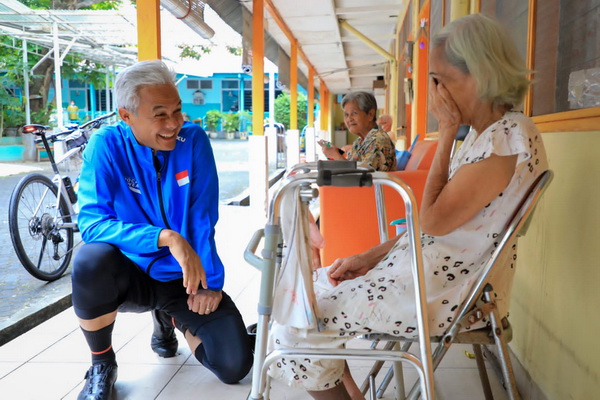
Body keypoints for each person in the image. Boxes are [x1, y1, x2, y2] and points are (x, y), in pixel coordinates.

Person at [269, 13, 548, 400]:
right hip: (426, 272)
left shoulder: (506, 139)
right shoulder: (489, 135)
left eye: (439, 79)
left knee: (299, 320)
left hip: (447, 292)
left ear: (480, 76)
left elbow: (432, 221)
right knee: (307, 297)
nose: (432, 91)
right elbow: (442, 225)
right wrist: (371, 255)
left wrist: (448, 131)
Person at [71, 60, 253, 400]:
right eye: (160, 115)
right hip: (129, 272)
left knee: (234, 366)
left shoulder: (193, 140)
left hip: (180, 278)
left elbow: (202, 217)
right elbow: (92, 222)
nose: (174, 124)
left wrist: (209, 284)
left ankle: (170, 318)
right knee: (89, 261)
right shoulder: (106, 144)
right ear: (126, 116)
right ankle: (101, 364)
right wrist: (165, 237)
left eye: (178, 111)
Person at [318, 91, 396, 171]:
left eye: (354, 113)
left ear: (370, 115)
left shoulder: (379, 140)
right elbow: (350, 161)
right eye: (346, 115)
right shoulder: (361, 140)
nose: (349, 119)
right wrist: (336, 151)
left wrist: (337, 156)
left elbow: (361, 176)